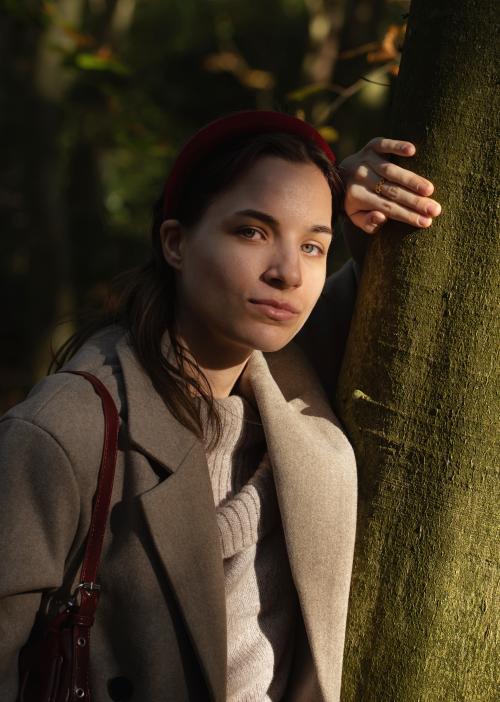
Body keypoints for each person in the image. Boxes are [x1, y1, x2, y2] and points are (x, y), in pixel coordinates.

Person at [0, 111, 441, 702]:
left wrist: (365, 199)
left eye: (313, 245)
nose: (287, 273)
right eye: (252, 232)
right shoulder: (64, 430)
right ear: (176, 243)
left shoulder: (294, 388)